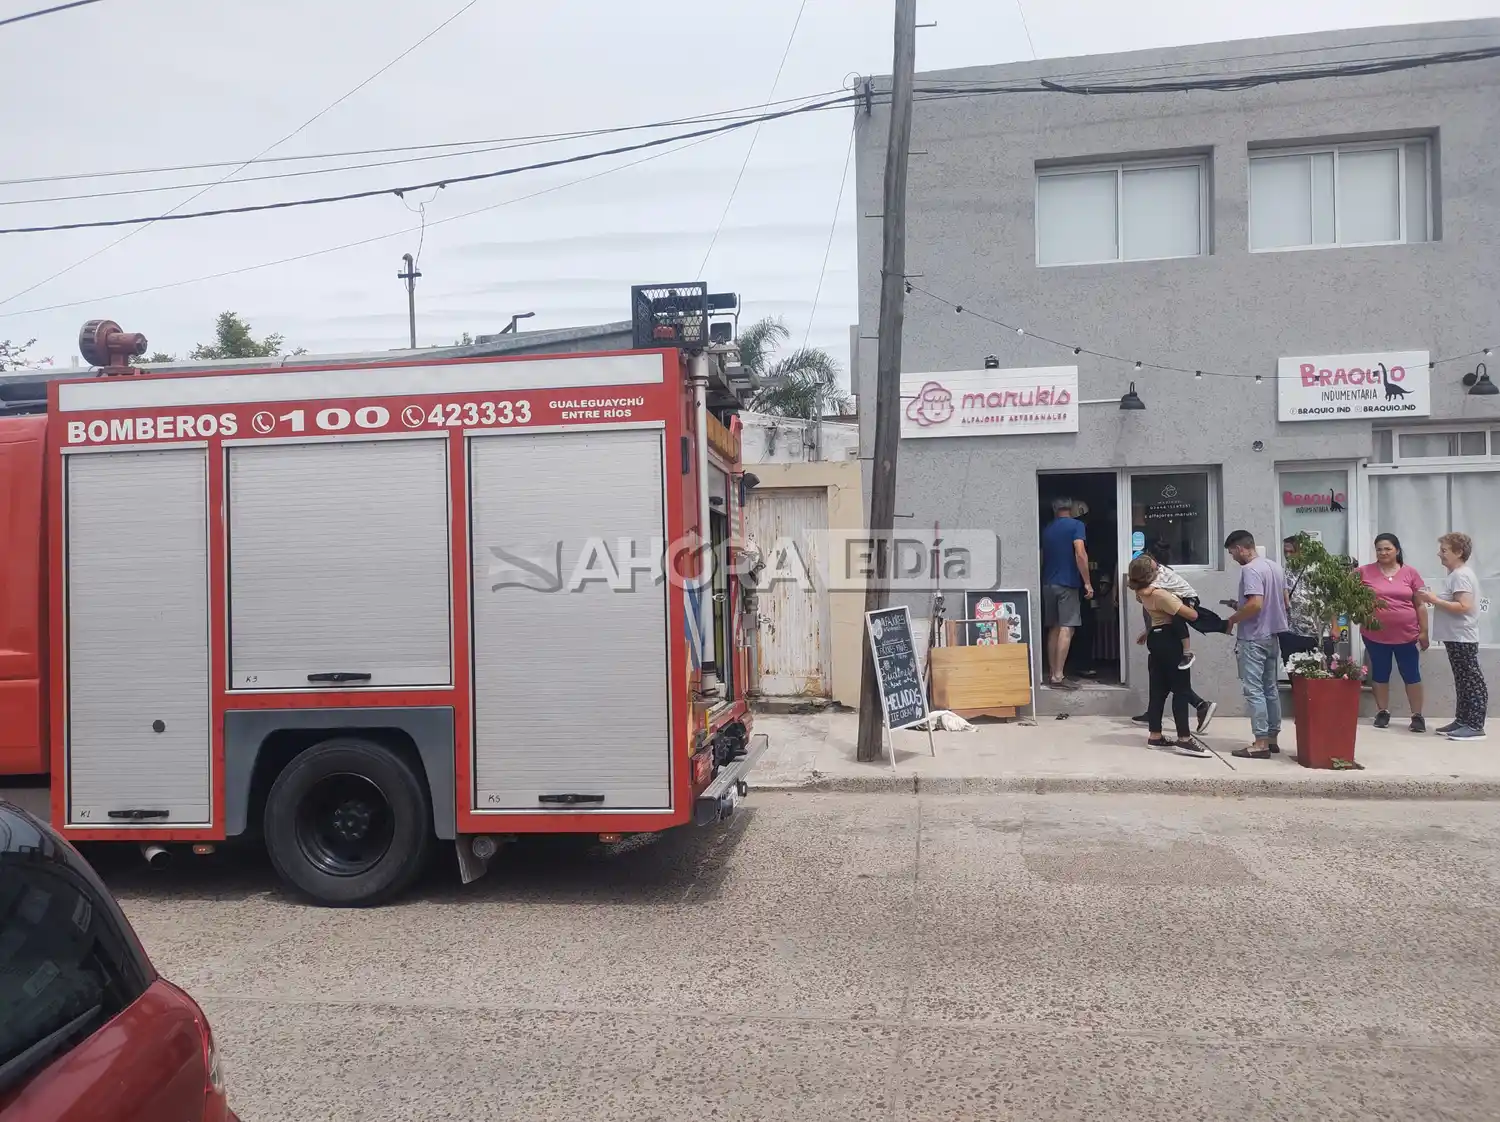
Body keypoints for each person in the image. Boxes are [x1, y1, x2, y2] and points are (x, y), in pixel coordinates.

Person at [1127, 556, 1212, 757]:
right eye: (1156, 568)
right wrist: (1186, 604)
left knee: (1158, 691)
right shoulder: (1161, 595)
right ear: (1151, 574)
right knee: (1181, 689)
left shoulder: (1142, 593)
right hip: (1170, 640)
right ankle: (1184, 739)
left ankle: (1155, 736)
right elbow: (1192, 616)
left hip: (1155, 640)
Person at [1223, 530, 1290, 759]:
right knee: (1270, 689)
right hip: (1272, 636)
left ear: (1241, 548)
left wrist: (1233, 619)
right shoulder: (1274, 567)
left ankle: (1259, 742)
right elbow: (1283, 600)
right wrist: (1238, 604)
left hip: (1253, 638)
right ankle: (1272, 738)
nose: (1233, 557)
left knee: (1254, 690)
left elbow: (1256, 605)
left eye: (1232, 552)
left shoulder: (1249, 569)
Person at [1416, 532, 1487, 740]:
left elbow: (1464, 606)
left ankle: (1474, 725)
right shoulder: (1456, 575)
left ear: (1459, 552)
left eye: (1444, 550)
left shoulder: (1461, 575)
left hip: (1462, 636)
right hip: (1456, 636)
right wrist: (1435, 599)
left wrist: (1434, 599)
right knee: (1462, 679)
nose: (1440, 554)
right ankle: (1463, 720)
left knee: (1471, 679)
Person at [1357, 532, 1428, 733]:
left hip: (1407, 635)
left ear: (1397, 550)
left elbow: (1420, 605)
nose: (1383, 552)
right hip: (1375, 635)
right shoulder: (1363, 572)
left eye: (1387, 548)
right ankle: (1382, 712)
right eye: (1379, 549)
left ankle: (1417, 715)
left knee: (1411, 674)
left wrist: (1424, 632)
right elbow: (1345, 594)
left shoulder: (1410, 573)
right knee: (1380, 673)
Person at [1041, 496, 1092, 690]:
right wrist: (1087, 582)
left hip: (1048, 582)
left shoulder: (1047, 528)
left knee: (1053, 627)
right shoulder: (1076, 526)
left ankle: (1053, 673)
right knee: (1067, 627)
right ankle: (1059, 676)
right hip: (1068, 583)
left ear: (1054, 509)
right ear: (1071, 508)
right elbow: (1080, 553)